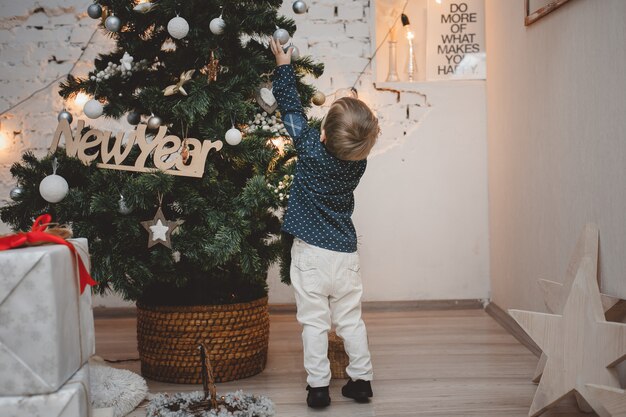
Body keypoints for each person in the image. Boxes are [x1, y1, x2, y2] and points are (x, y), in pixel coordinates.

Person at [269, 38, 380, 408]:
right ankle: (361, 381)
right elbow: (344, 142)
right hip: (345, 255)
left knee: (314, 323)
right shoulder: (358, 164)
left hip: (311, 256)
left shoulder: (310, 148)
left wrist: (283, 63)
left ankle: (318, 388)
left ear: (321, 135)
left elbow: (290, 109)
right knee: (350, 321)